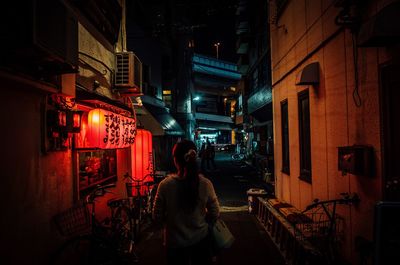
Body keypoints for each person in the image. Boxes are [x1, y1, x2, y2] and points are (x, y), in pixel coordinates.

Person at [152, 139, 220, 265]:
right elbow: (215, 212)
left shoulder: (165, 185)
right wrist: (204, 222)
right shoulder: (205, 184)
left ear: (175, 160)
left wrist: (170, 223)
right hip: (201, 240)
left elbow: (157, 216)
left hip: (174, 243)